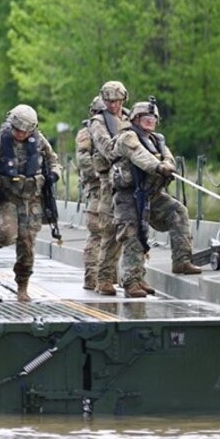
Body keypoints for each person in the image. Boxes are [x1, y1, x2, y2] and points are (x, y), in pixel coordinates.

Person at [110, 99, 201, 298]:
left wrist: (167, 164)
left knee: (178, 211)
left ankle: (182, 260)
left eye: (153, 118)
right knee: (133, 236)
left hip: (151, 194)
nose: (150, 121)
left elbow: (168, 157)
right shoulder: (127, 137)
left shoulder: (157, 139)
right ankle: (132, 282)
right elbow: (139, 155)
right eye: (146, 118)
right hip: (128, 197)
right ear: (135, 119)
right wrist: (158, 167)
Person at [0, 104, 61, 302]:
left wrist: (54, 174)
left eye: (25, 131)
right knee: (4, 236)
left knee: (27, 244)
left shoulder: (40, 141)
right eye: (17, 130)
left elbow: (54, 160)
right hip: (8, 199)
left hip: (31, 200)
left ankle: (23, 285)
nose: (20, 134)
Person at [89, 81, 131, 296]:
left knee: (133, 229)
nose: (112, 105)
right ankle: (104, 279)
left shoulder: (130, 118)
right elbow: (106, 147)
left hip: (131, 180)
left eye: (116, 100)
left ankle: (133, 278)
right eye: (108, 101)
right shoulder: (98, 122)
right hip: (109, 181)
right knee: (110, 229)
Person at [77, 95, 106, 290]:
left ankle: (108, 276)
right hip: (97, 188)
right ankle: (92, 277)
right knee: (97, 232)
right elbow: (83, 158)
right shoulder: (86, 133)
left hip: (116, 187)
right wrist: (99, 175)